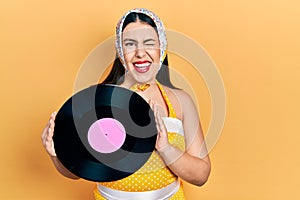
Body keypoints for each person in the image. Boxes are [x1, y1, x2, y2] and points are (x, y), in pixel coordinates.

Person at [41, 8, 211, 200]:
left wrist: (165, 148)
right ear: (121, 52)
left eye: (149, 43)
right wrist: (56, 155)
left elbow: (201, 175)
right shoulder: (97, 101)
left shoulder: (181, 100)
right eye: (130, 44)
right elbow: (79, 169)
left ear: (161, 48)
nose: (140, 53)